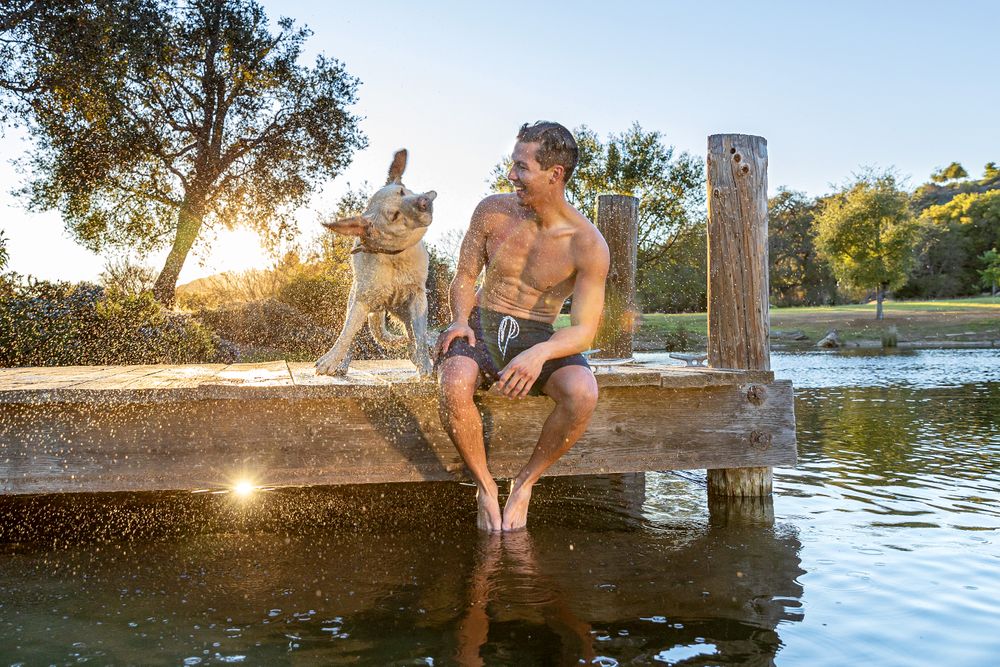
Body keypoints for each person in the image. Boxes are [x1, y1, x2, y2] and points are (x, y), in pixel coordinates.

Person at [436, 121, 610, 532]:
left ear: (555, 174)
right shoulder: (492, 211)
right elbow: (463, 277)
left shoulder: (587, 244)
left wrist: (540, 352)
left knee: (583, 393)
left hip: (537, 333)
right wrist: (460, 319)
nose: (511, 175)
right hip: (483, 320)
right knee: (455, 379)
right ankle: (484, 488)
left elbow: (584, 330)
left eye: (521, 166)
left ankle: (525, 482)